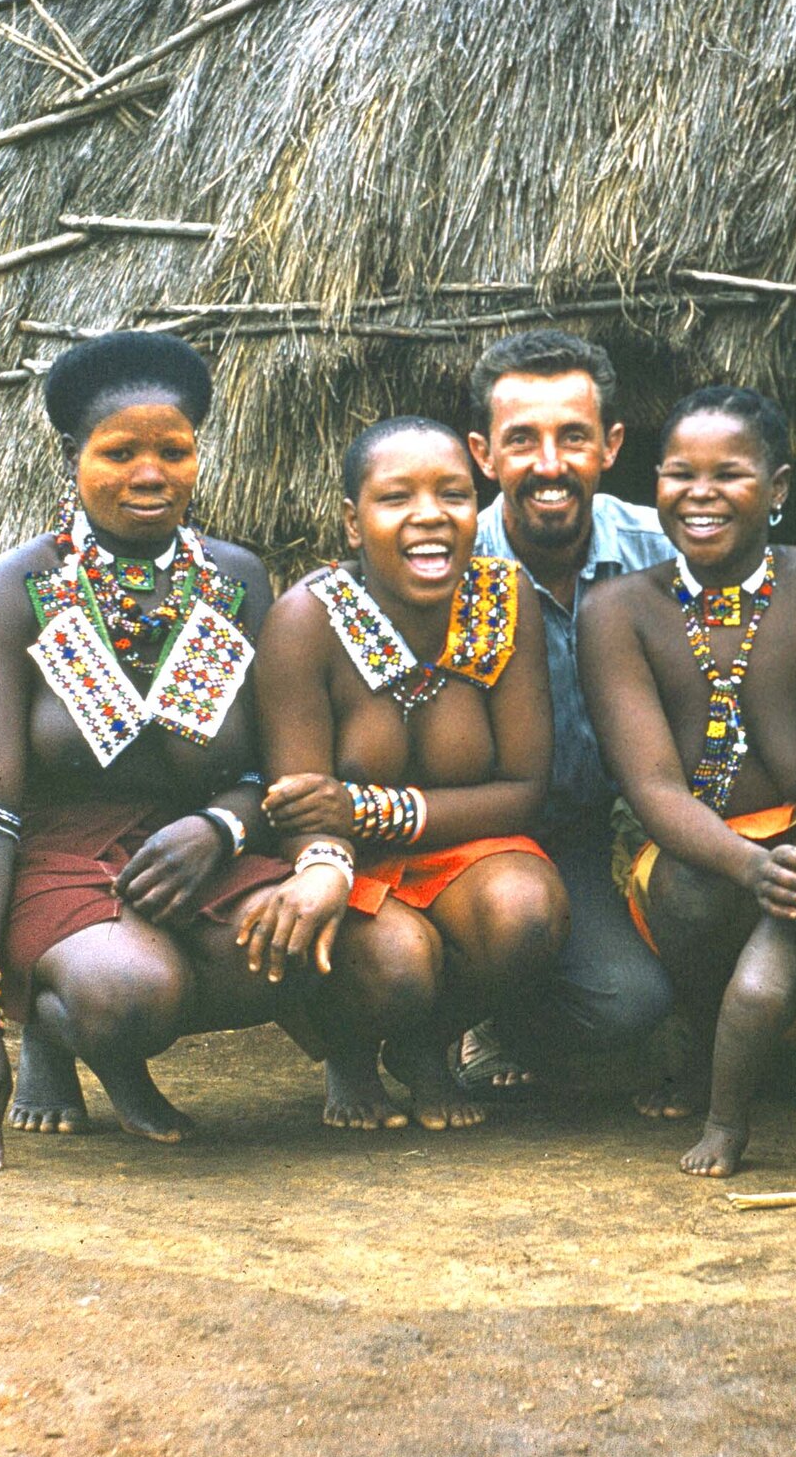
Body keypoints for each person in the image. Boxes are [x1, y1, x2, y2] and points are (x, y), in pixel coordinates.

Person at [0, 332, 286, 1171]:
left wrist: (223, 829)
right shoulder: (22, 590)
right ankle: (61, 1025)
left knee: (304, 947)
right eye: (119, 452)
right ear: (73, 458)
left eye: (174, 450)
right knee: (132, 990)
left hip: (196, 860)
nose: (150, 474)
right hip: (58, 866)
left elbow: (277, 762)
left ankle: (98, 1014)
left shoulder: (237, 582)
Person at [578, 385, 796, 1174]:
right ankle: (710, 1042)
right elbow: (654, 788)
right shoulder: (618, 609)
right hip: (697, 833)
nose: (700, 494)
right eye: (678, 474)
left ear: (779, 488)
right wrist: (749, 864)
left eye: (728, 474)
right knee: (695, 890)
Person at [235, 417, 567, 1131]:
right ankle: (350, 1050)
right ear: (355, 523)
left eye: (452, 494)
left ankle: (424, 1045)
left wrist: (371, 809)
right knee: (398, 966)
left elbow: (524, 790)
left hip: (461, 853)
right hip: (343, 865)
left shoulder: (505, 599)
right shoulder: (307, 619)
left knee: (527, 913)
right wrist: (326, 860)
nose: (429, 515)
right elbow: (301, 806)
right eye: (396, 498)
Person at [449, 329, 678, 1088]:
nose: (550, 465)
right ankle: (484, 1014)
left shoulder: (665, 551)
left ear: (611, 445)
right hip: (510, 837)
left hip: (645, 821)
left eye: (572, 437)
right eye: (523, 440)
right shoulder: (446, 567)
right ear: (483, 454)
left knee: (648, 996)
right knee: (622, 1004)